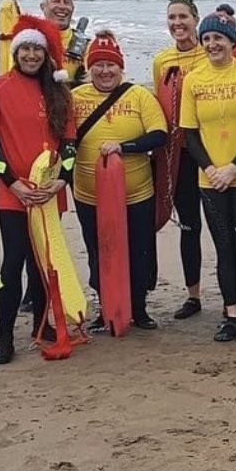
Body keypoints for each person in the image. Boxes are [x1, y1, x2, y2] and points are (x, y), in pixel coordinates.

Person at [0, 15, 76, 364]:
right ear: (16, 51)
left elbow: (69, 144)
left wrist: (62, 180)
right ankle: (5, 337)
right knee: (13, 263)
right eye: (26, 48)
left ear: (46, 54)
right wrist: (15, 185)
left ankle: (42, 326)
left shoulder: (60, 93)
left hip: (50, 192)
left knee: (42, 264)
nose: (31, 55)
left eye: (38, 49)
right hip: (14, 194)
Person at [180, 13, 236, 342]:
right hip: (210, 179)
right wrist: (210, 169)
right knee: (223, 248)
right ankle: (230, 313)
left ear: (232, 41)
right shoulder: (194, 79)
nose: (212, 44)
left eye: (218, 38)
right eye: (206, 39)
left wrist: (233, 167)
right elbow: (189, 134)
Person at [72, 30, 167, 330]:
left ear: (120, 67)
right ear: (89, 69)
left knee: (139, 250)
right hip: (89, 195)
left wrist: (123, 148)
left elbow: (159, 134)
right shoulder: (74, 98)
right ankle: (106, 308)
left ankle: (139, 309)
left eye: (110, 64)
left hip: (136, 193)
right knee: (99, 251)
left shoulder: (138, 95)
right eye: (98, 64)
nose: (104, 70)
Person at [152, 0, 209, 320]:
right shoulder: (162, 61)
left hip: (213, 152)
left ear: (196, 20)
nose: (178, 23)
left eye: (183, 17)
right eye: (172, 18)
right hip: (180, 156)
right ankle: (194, 295)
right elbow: (158, 106)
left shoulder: (211, 52)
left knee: (224, 226)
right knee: (190, 225)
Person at [40, 0, 91, 84]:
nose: (62, 6)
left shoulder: (87, 46)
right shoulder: (30, 42)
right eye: (56, 1)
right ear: (43, 7)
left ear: (72, 8)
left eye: (67, 2)